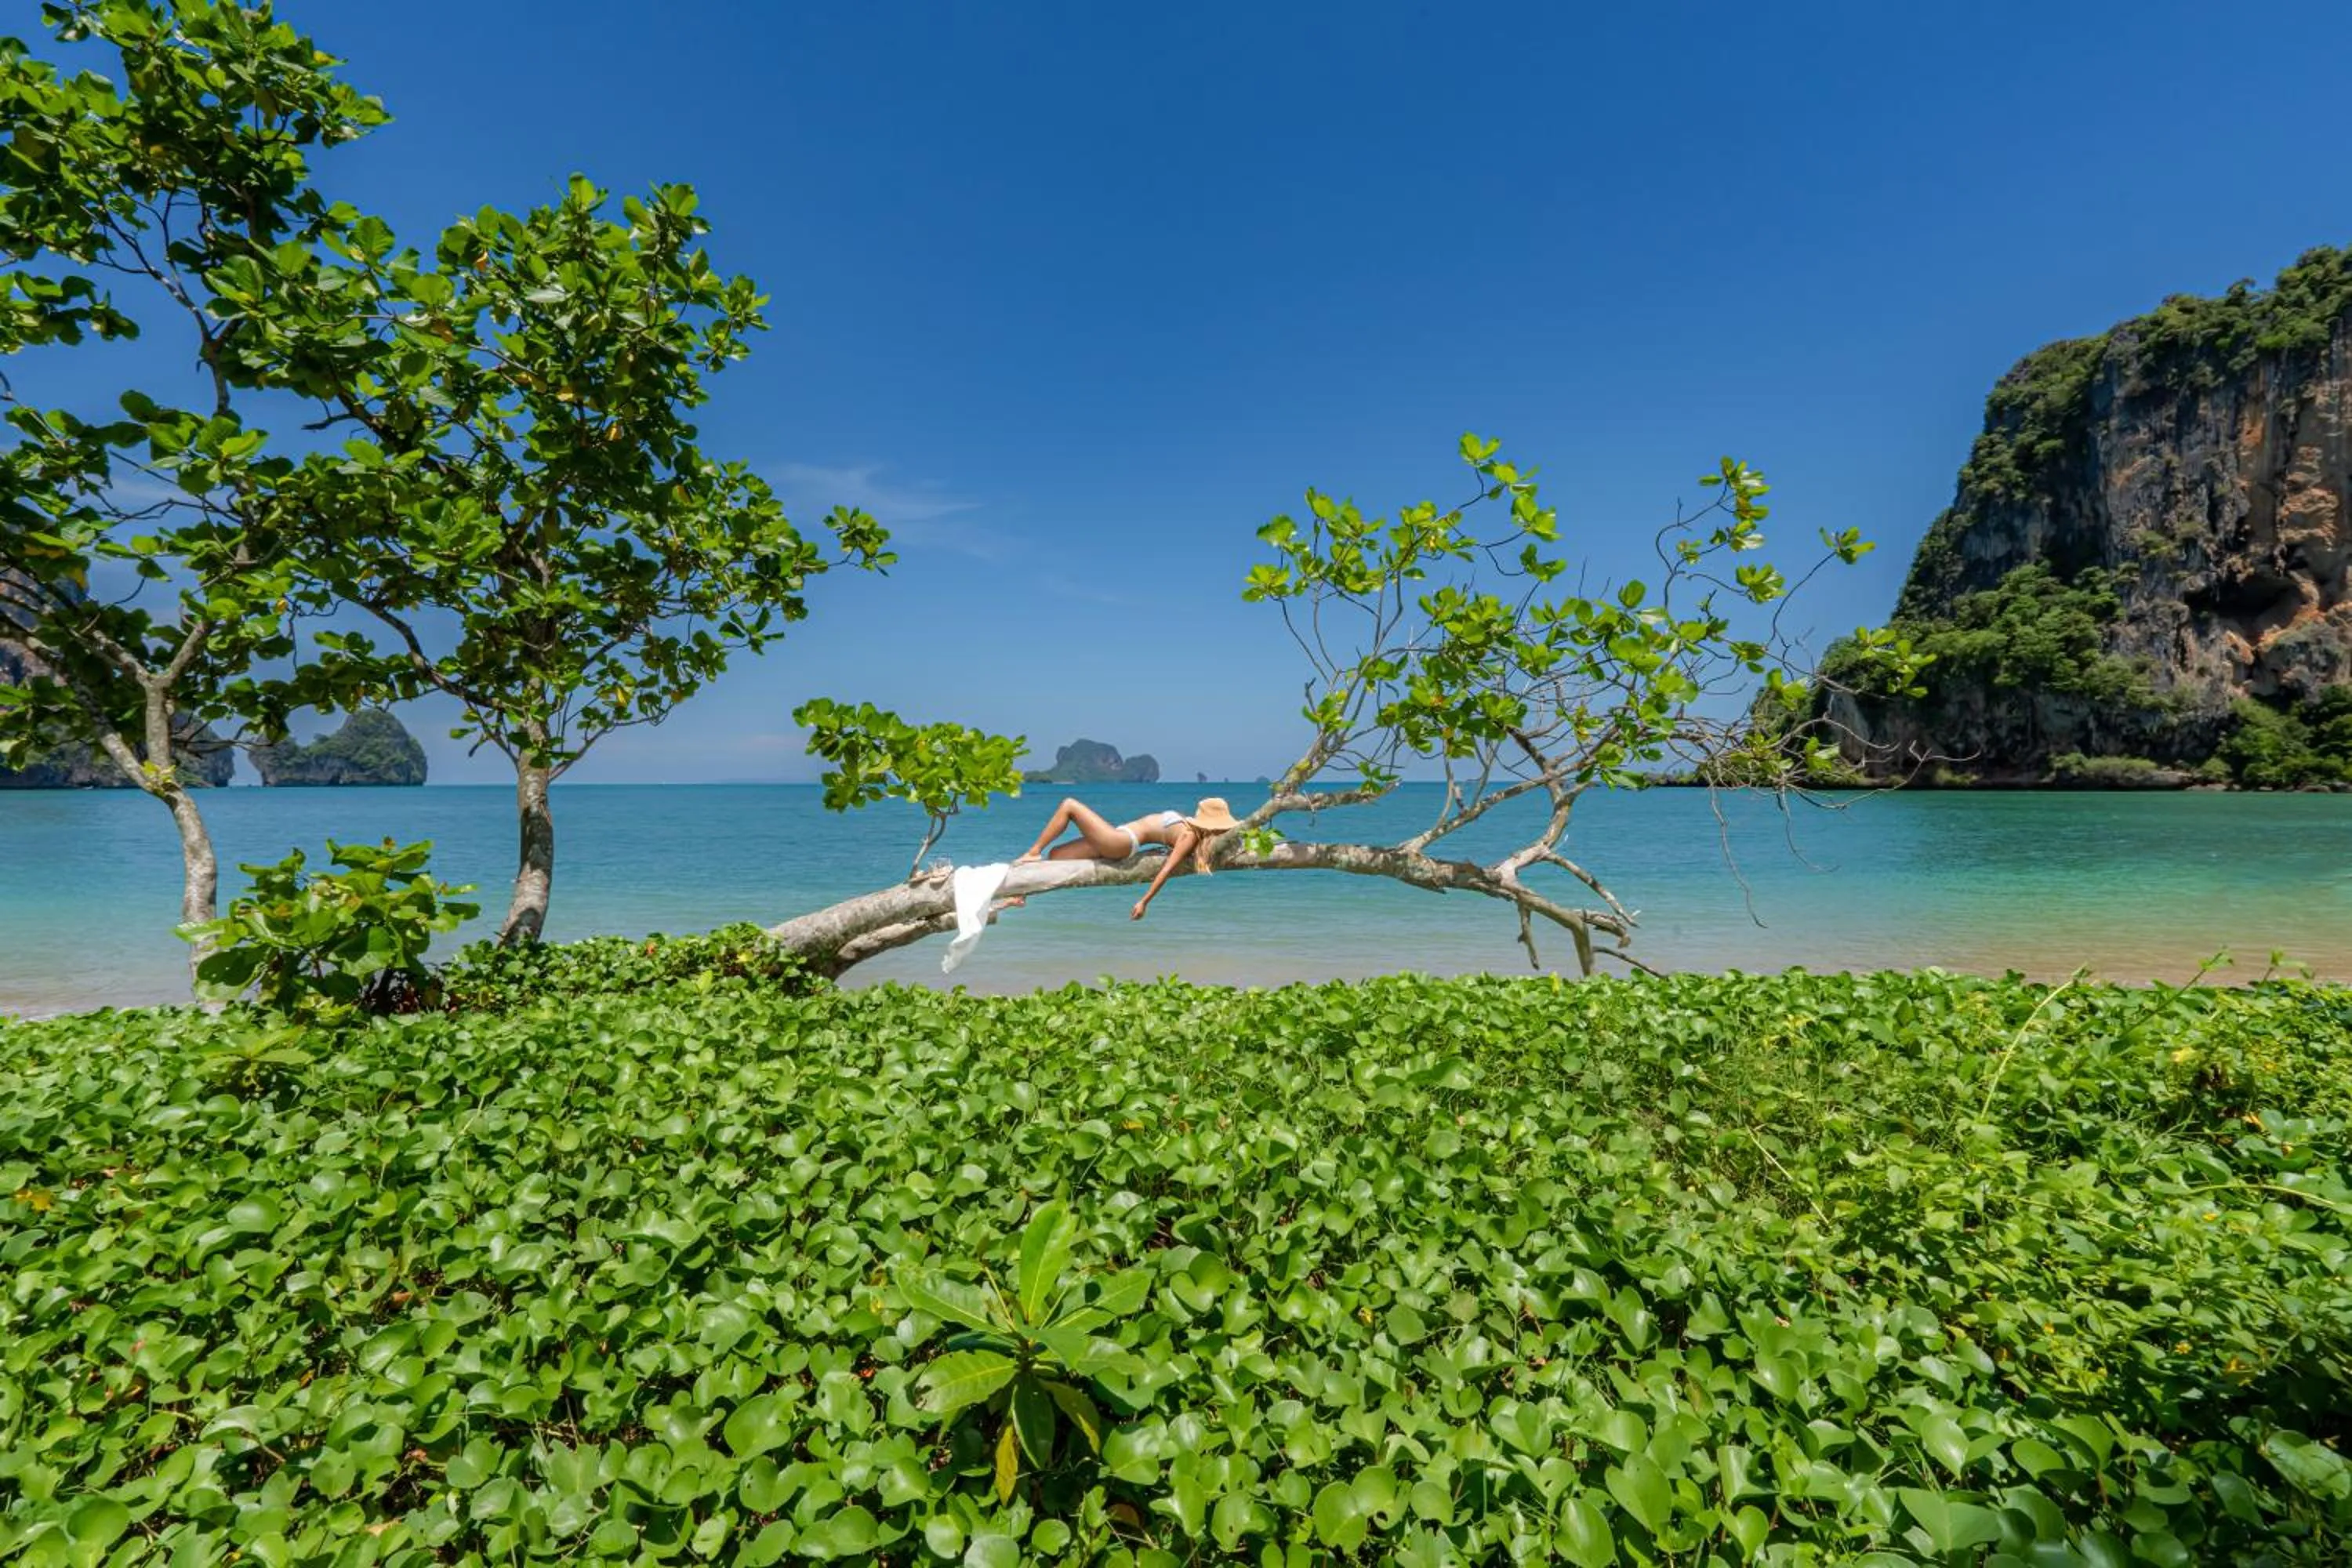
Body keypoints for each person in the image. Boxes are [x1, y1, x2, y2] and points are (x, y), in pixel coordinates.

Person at [1016, 796, 1240, 920]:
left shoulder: (1189, 836)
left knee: (1069, 806)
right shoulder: (1188, 827)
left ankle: (1033, 851)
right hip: (1120, 836)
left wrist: (1144, 901)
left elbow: (1167, 870)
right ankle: (1022, 894)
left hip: (1122, 842)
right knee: (1057, 855)